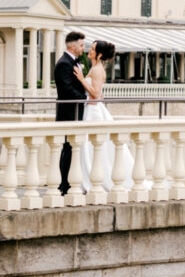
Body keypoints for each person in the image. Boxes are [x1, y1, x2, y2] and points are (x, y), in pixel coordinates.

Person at [72, 39, 148, 192]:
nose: (89, 51)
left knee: (95, 147)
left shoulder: (98, 70)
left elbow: (95, 93)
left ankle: (96, 179)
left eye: (92, 49)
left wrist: (81, 79)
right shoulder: (95, 68)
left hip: (94, 112)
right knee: (90, 147)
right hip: (91, 110)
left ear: (99, 55)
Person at [54, 31, 88, 194]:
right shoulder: (64, 63)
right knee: (67, 148)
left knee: (71, 148)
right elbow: (66, 90)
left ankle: (68, 183)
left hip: (75, 110)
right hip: (68, 112)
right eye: (81, 45)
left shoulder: (73, 62)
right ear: (72, 46)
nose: (83, 48)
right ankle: (64, 185)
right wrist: (84, 97)